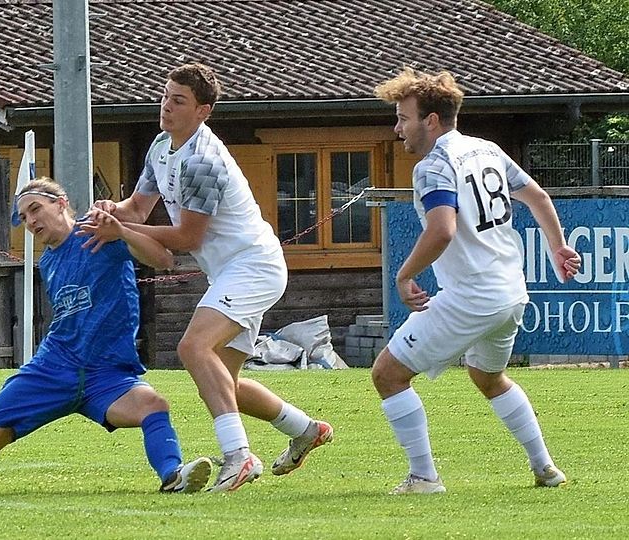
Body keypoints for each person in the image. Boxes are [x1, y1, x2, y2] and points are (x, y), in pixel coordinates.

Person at [80, 63, 332, 493]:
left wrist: (121, 232)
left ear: (203, 111)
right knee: (222, 381)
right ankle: (306, 429)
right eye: (164, 97)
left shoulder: (203, 161)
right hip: (232, 271)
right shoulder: (161, 147)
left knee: (193, 347)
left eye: (178, 101)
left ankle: (239, 457)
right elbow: (138, 209)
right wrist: (112, 211)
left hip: (254, 265)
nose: (166, 107)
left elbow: (185, 236)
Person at [0, 178, 212, 495]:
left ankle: (174, 476)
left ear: (61, 204)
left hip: (106, 374)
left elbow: (164, 260)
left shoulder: (99, 233)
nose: (31, 221)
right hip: (51, 371)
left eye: (35, 209)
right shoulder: (47, 262)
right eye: (24, 217)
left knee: (153, 405)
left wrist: (122, 230)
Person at [371, 67, 582, 494]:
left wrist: (404, 273)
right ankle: (545, 468)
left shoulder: (434, 164)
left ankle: (424, 477)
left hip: (472, 297)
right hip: (510, 294)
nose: (398, 129)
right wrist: (557, 246)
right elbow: (538, 196)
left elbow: (441, 229)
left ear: (431, 121)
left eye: (403, 118)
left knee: (387, 374)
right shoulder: (487, 149)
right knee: (488, 377)